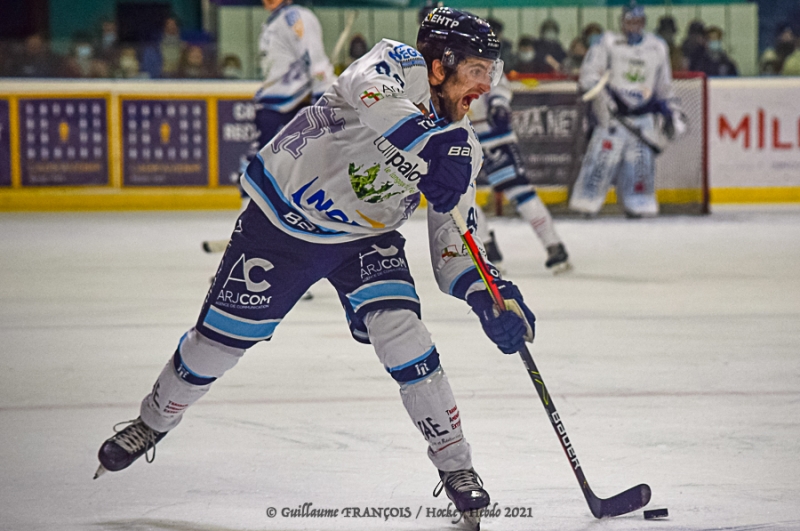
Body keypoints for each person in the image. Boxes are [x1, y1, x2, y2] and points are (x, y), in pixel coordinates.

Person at [94, 8, 536, 527]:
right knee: (215, 346)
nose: (485, 85)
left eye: (491, 73)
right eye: (477, 71)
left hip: (366, 239)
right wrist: (433, 142)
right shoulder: (396, 62)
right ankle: (153, 420)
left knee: (405, 336)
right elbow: (371, 92)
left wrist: (488, 294)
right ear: (440, 66)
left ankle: (457, 466)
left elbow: (453, 243)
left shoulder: (464, 147)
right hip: (282, 223)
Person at [569, 2, 685, 218]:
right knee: (601, 162)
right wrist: (604, 100)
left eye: (638, 21)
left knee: (640, 164)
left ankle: (639, 204)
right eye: (629, 21)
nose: (633, 26)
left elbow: (664, 85)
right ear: (622, 22)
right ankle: (586, 203)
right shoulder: (607, 42)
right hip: (612, 119)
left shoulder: (657, 47)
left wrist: (671, 110)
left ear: (644, 22)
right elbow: (589, 76)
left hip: (642, 118)